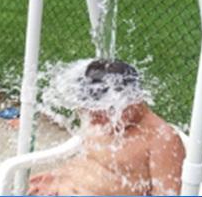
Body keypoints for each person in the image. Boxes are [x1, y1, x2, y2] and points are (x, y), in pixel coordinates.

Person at [28, 60, 185, 196]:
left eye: (101, 113)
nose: (94, 122)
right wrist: (60, 176)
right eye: (90, 111)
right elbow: (90, 161)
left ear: (132, 100)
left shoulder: (160, 139)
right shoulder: (100, 117)